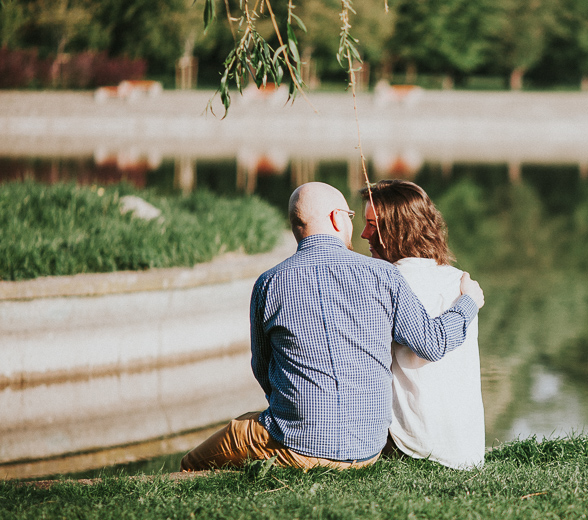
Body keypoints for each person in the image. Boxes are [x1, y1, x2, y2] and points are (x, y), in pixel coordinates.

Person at [180, 182, 484, 471]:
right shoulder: (385, 276)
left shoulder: (269, 283)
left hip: (297, 444)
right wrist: (469, 300)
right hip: (369, 448)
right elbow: (431, 343)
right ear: (337, 220)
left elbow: (263, 368)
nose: (361, 231)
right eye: (353, 217)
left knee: (192, 462)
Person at [360, 180, 485, 469]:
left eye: (373, 225)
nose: (365, 233)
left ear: (399, 228)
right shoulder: (460, 281)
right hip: (466, 449)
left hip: (413, 445)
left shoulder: (385, 282)